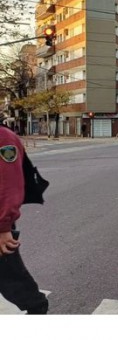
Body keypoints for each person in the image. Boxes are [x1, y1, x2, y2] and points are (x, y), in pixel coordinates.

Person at [0, 111, 49, 314]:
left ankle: (37, 310)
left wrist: (3, 228)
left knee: (14, 282)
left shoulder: (4, 138)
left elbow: (9, 185)